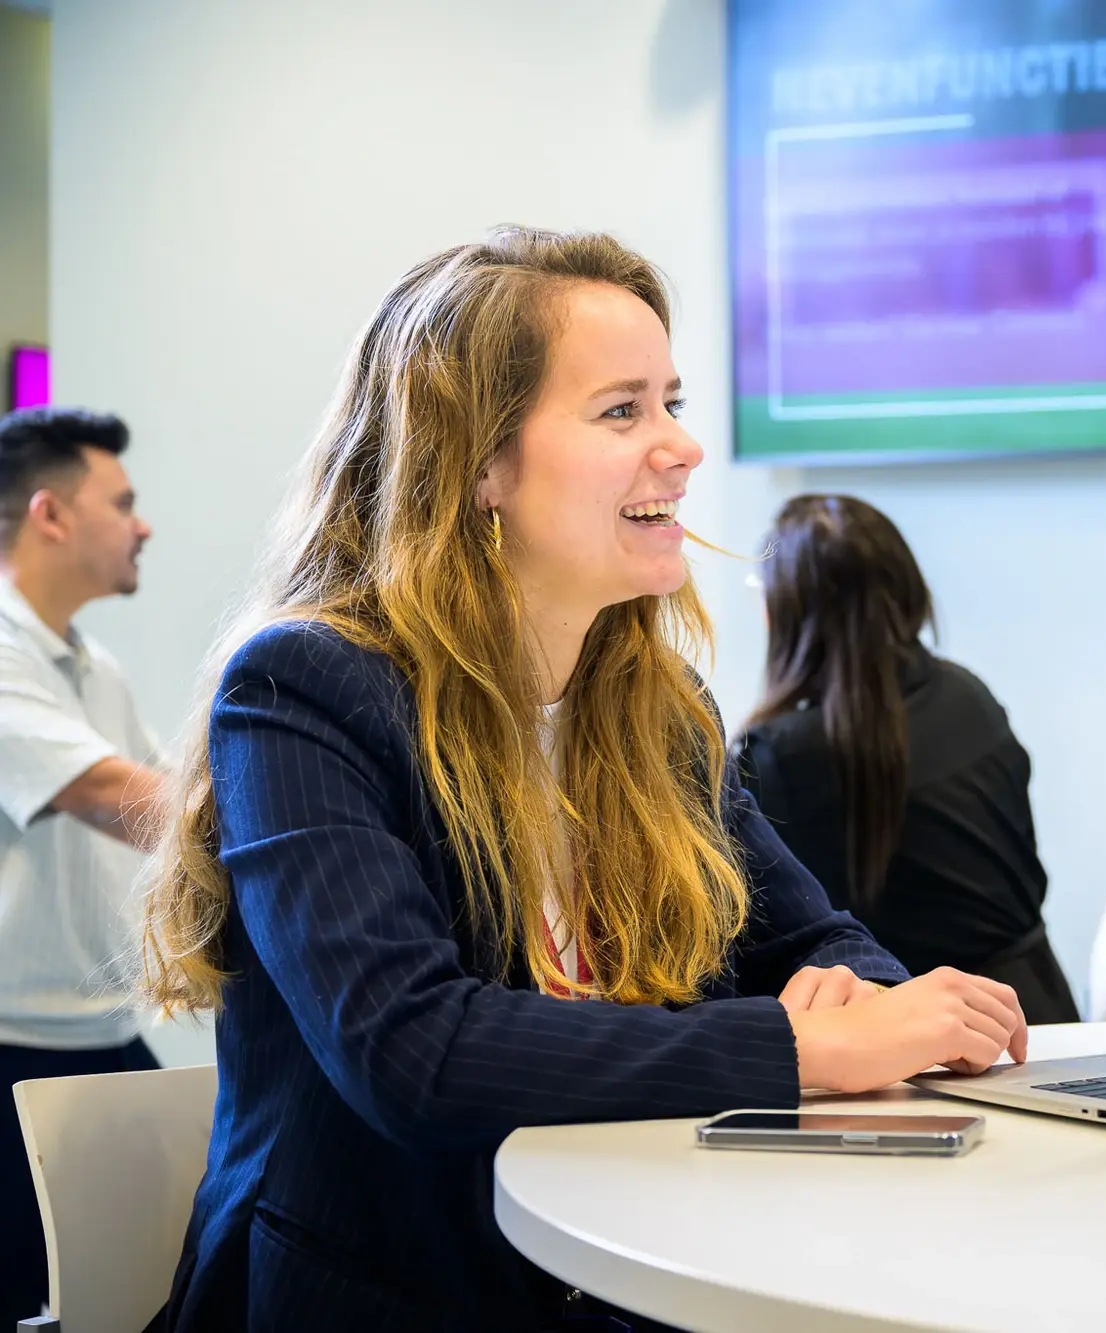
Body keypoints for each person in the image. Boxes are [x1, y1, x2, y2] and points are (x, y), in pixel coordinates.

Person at [138, 229, 1028, 1333]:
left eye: (672, 401)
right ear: (474, 466)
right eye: (623, 411)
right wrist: (804, 1046)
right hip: (385, 1299)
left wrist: (847, 989)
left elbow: (818, 938)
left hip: (620, 1277)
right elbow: (414, 1052)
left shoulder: (659, 710)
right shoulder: (304, 690)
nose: (684, 447)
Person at [736, 496, 1080, 1025]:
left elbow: (763, 938)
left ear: (788, 608)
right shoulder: (968, 695)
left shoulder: (782, 754)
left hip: (926, 1033)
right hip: (1034, 1008)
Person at [0, 405, 165, 1324]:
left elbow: (167, 802)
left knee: (141, 1290)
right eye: (125, 501)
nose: (144, 524)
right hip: (14, 1053)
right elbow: (119, 798)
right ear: (50, 515)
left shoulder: (93, 663)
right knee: (37, 1302)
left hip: (102, 1040)